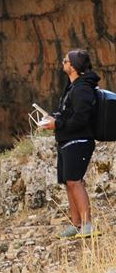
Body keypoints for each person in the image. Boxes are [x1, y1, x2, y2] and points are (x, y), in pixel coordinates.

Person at [42, 49, 99, 238]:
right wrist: (54, 118)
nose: (63, 62)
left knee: (75, 181)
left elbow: (81, 118)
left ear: (73, 66)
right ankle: (76, 224)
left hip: (79, 141)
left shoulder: (82, 88)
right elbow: (68, 113)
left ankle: (87, 224)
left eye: (65, 60)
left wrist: (57, 124)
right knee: (69, 183)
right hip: (67, 141)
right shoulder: (73, 87)